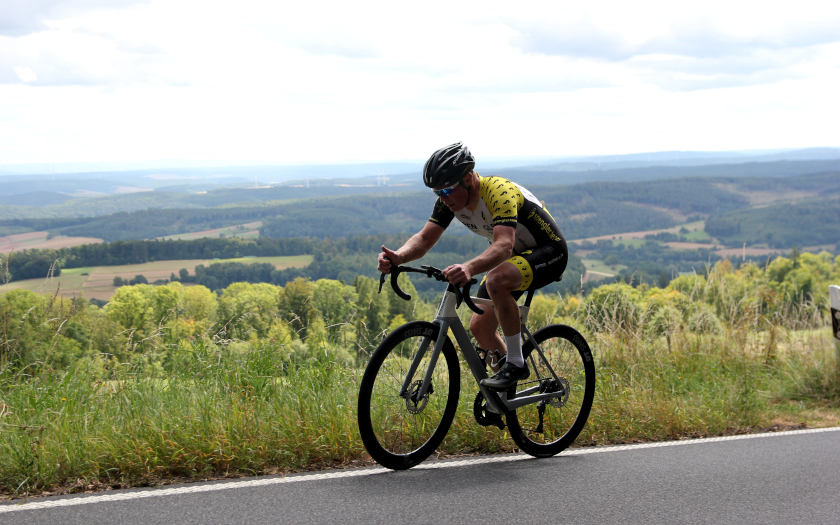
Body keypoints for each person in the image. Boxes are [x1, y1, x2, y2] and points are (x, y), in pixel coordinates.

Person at [377, 142, 568, 390]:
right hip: (517, 259)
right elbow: (425, 239)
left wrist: (468, 267)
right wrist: (399, 257)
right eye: (436, 193)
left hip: (549, 251)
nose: (442, 199)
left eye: (445, 191)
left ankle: (516, 363)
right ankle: (506, 398)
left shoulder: (498, 192)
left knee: (496, 280)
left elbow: (504, 246)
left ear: (468, 179)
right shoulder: (450, 200)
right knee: (480, 327)